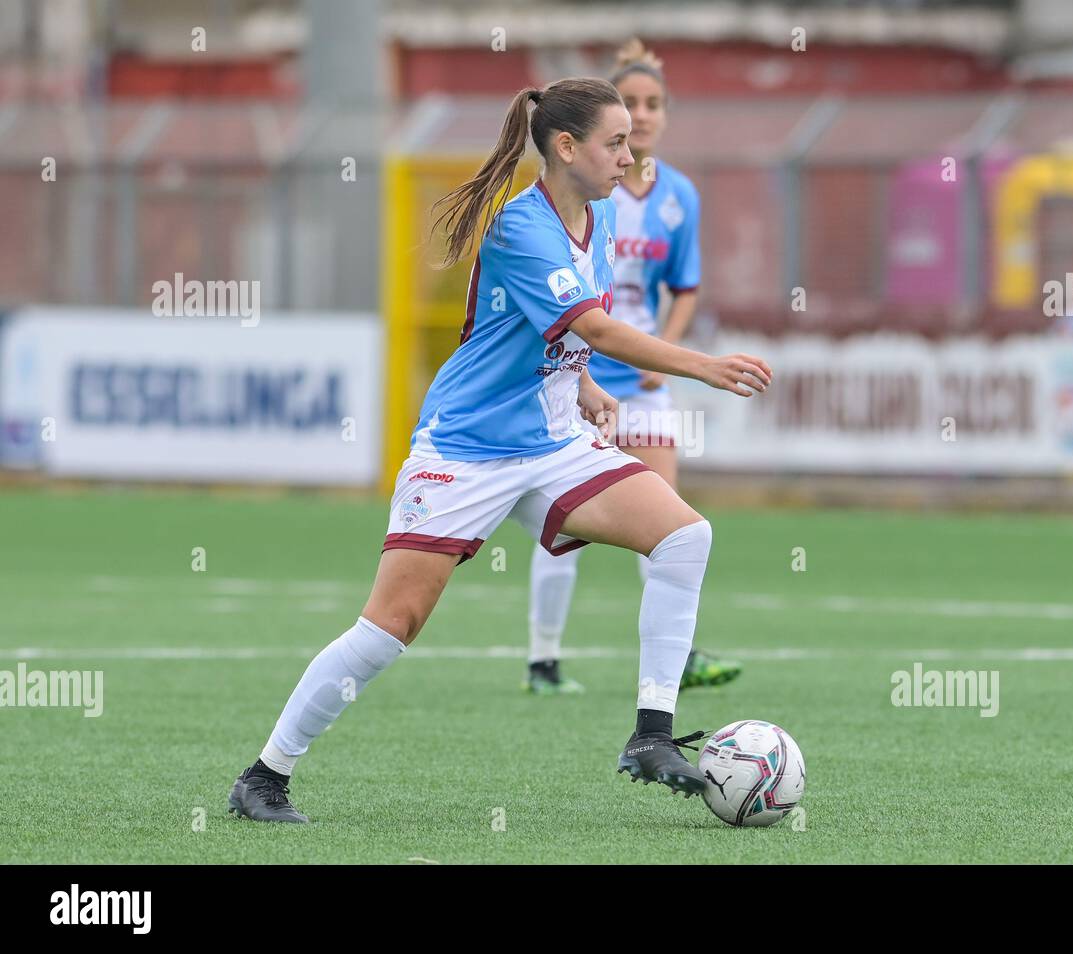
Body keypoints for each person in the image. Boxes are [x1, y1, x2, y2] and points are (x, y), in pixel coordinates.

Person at [227, 76, 773, 822]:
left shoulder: (599, 216)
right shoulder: (523, 227)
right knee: (391, 628)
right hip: (467, 451)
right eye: (614, 142)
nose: (629, 153)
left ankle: (651, 735)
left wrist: (580, 386)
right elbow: (599, 330)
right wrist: (702, 364)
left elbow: (552, 330)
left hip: (551, 445)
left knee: (684, 536)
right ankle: (265, 775)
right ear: (566, 147)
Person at [524, 39, 743, 696]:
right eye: (630, 105)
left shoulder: (678, 196)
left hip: (643, 383)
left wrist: (666, 360)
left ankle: (679, 656)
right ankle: (544, 659)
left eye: (653, 105)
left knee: (668, 518)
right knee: (567, 529)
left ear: (665, 115)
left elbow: (686, 286)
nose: (642, 118)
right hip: (576, 379)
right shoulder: (588, 191)